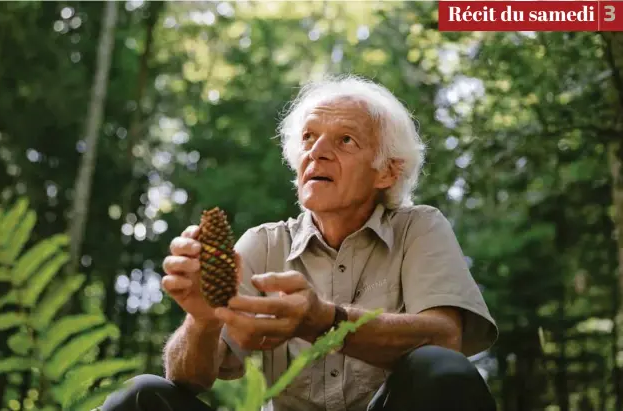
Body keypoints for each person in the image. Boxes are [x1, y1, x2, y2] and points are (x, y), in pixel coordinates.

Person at [101, 75, 499, 411]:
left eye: (345, 140)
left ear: (388, 172)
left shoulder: (419, 228)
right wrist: (202, 320)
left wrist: (326, 321)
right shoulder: (263, 244)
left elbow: (446, 339)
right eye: (308, 138)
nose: (317, 152)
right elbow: (190, 378)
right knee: (142, 397)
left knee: (441, 370)